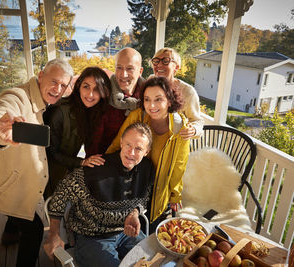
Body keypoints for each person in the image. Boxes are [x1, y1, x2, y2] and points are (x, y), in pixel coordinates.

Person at [0, 58, 73, 267]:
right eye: (53, 81)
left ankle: (10, 233)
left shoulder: (45, 98)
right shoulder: (17, 96)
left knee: (21, 204)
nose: (58, 89)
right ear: (40, 76)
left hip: (8, 178)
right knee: (35, 229)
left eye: (63, 85)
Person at [43, 122, 155, 267]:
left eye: (138, 148)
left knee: (154, 262)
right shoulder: (96, 169)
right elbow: (61, 194)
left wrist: (135, 212)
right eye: (128, 145)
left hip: (126, 233)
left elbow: (144, 198)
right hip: (91, 237)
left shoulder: (147, 169)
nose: (131, 153)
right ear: (121, 142)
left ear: (147, 151)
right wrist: (54, 234)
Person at [106, 77, 190, 232]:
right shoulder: (138, 116)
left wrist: (175, 194)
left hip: (158, 191)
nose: (151, 106)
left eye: (158, 99)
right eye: (147, 99)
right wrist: (102, 165)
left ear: (170, 101)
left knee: (148, 234)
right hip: (134, 188)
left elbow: (180, 164)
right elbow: (118, 144)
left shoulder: (180, 128)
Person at [43, 67, 111, 199]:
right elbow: (51, 153)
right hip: (49, 176)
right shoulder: (60, 112)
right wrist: (81, 162)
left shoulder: (91, 110)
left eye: (97, 89)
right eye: (86, 86)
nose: (90, 94)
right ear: (78, 86)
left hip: (65, 171)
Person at [85, 47, 145, 156]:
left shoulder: (147, 97)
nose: (123, 74)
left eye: (130, 68)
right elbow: (93, 142)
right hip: (105, 161)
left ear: (140, 71)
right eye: (119, 68)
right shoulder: (103, 95)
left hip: (137, 161)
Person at [151, 47, 204, 140]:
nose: (159, 65)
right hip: (152, 138)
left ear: (176, 67)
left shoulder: (188, 92)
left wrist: (193, 130)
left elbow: (197, 121)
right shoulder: (150, 82)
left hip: (175, 143)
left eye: (165, 61)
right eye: (156, 61)